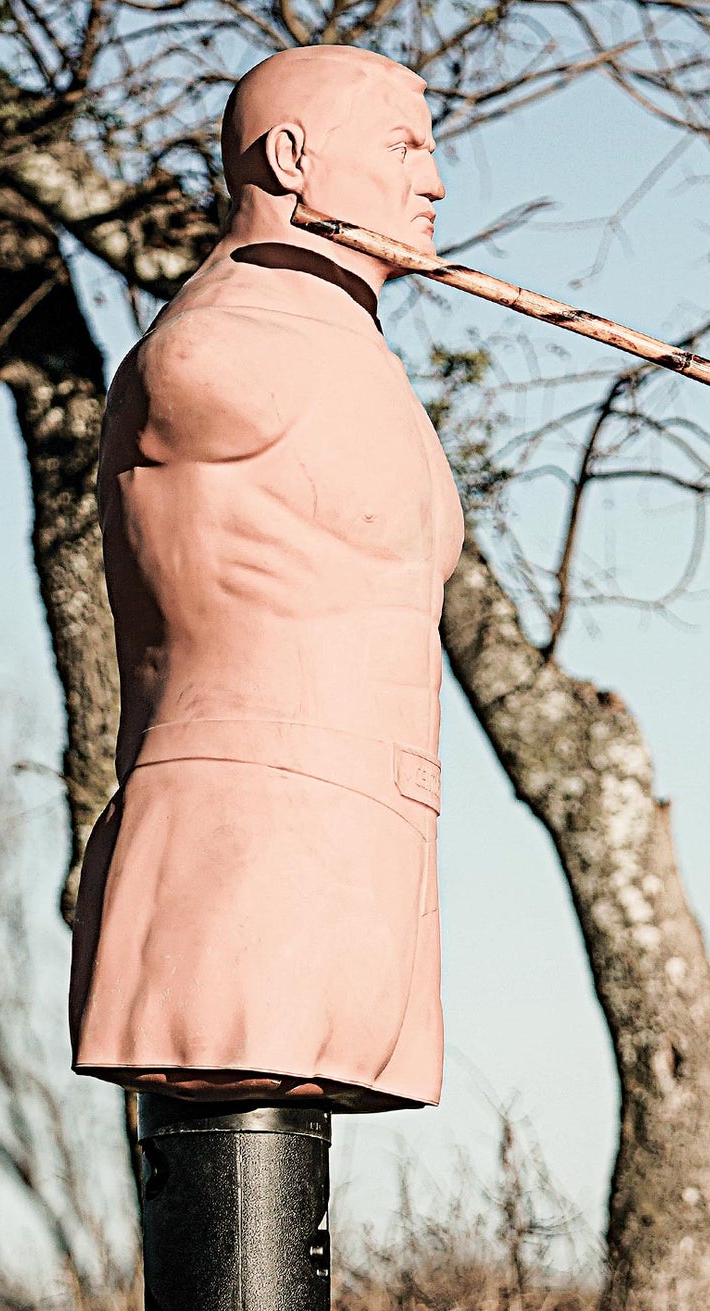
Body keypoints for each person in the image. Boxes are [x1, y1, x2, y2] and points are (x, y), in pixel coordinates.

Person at [72, 45, 462, 1110]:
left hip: (378, 832)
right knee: (235, 1146)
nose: (433, 184)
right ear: (289, 158)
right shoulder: (219, 347)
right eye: (403, 149)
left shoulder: (357, 361)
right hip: (240, 836)